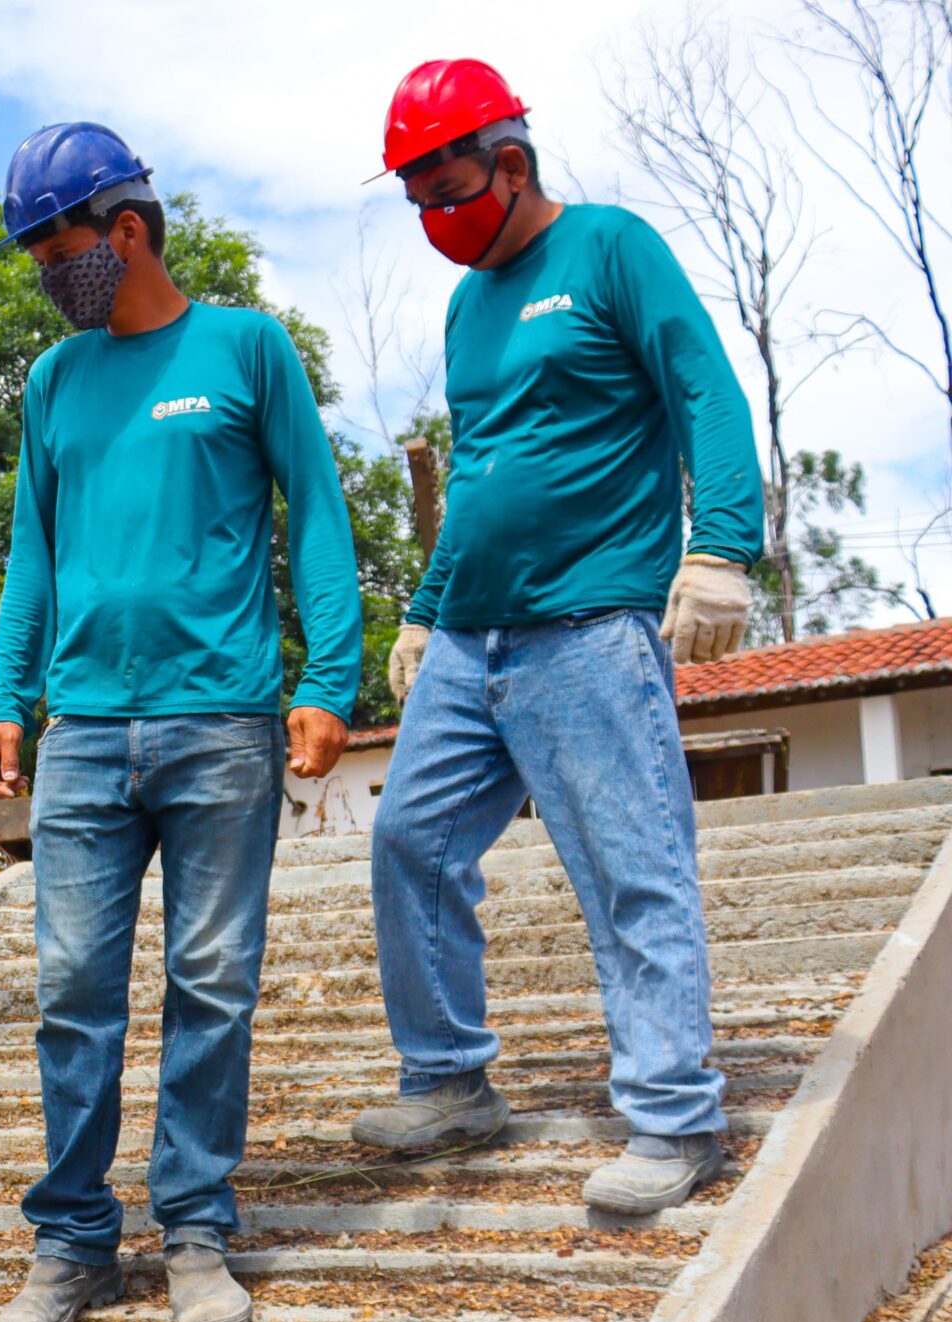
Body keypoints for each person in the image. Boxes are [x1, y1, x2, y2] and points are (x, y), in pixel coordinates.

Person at [0, 124, 364, 1322]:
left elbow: (317, 515)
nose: (46, 268)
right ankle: (71, 1240)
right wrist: (5, 692)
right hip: (86, 729)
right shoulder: (53, 380)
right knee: (72, 991)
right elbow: (33, 545)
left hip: (220, 720)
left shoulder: (245, 347)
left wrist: (331, 676)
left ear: (124, 227)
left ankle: (195, 1230)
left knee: (211, 985)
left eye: (54, 244)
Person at [351, 62, 764, 1216]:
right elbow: (479, 468)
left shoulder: (609, 249)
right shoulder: (466, 303)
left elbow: (706, 392)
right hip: (471, 639)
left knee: (628, 868)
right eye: (415, 199)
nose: (434, 216)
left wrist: (722, 543)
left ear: (510, 164)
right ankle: (448, 1084)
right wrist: (425, 610)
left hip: (586, 629)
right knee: (409, 844)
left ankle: (676, 1120)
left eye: (447, 188)